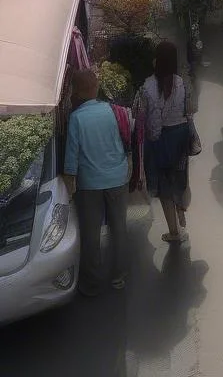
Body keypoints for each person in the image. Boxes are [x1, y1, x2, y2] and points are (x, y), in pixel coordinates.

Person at [64, 69, 130, 295]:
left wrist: (69, 184)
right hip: (117, 178)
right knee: (118, 228)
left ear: (77, 92)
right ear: (95, 88)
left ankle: (91, 283)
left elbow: (72, 157)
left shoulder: (76, 118)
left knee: (91, 234)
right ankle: (119, 276)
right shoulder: (111, 110)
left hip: (90, 183)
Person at [138, 41, 193, 244]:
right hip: (181, 135)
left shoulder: (148, 87)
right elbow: (190, 110)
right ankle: (181, 209)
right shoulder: (181, 83)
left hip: (162, 139)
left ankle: (174, 232)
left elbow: (150, 122)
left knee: (163, 187)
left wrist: (153, 142)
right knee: (180, 176)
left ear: (156, 62)